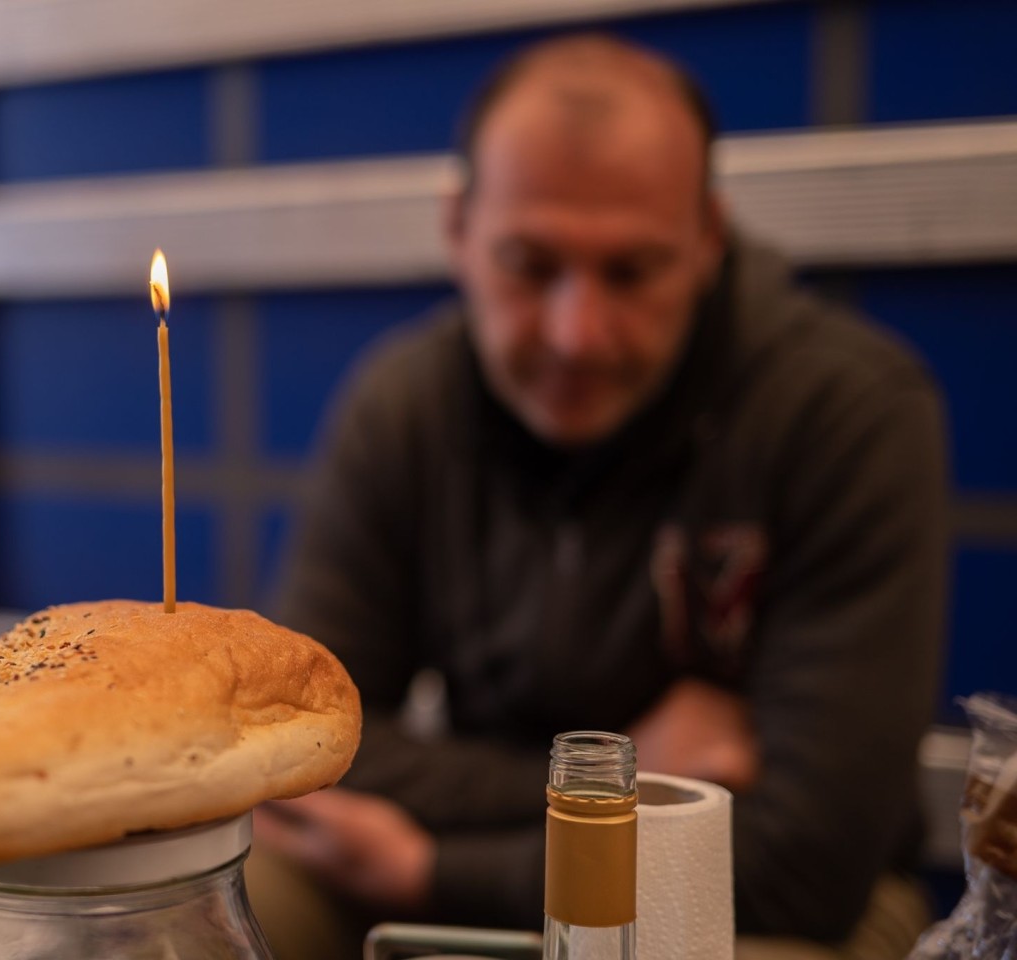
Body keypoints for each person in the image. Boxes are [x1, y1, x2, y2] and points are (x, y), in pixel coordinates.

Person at [249, 33, 948, 960]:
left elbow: (807, 865)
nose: (578, 333)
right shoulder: (401, 403)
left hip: (742, 909)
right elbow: (299, 750)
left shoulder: (849, 413)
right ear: (457, 230)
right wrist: (628, 769)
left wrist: (432, 875)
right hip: (480, 846)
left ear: (708, 240)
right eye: (530, 266)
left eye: (632, 272)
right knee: (205, 909)